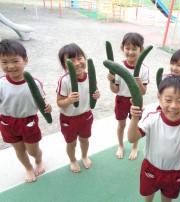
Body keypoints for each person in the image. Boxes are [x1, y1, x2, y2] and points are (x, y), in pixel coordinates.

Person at [128, 75, 180, 202]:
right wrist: (134, 117)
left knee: (167, 200)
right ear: (159, 98)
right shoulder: (152, 118)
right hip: (150, 169)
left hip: (174, 173)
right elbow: (132, 138)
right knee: (148, 197)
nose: (173, 106)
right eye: (168, 100)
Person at [0, 39, 52, 183]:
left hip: (28, 121)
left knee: (32, 150)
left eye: (15, 61)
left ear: (25, 60)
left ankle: (38, 159)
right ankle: (28, 168)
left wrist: (47, 106)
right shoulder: (1, 83)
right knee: (19, 150)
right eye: (4, 62)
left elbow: (42, 101)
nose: (10, 66)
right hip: (7, 121)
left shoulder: (34, 83)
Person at [56, 43, 100, 173]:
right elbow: (59, 102)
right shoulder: (64, 80)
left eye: (79, 58)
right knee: (71, 143)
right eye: (71, 61)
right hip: (68, 118)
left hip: (86, 115)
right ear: (65, 66)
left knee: (85, 139)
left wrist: (97, 94)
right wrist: (68, 100)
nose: (76, 63)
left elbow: (94, 92)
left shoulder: (91, 76)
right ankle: (73, 160)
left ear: (85, 59)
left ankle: (84, 156)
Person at [107, 32, 149, 160]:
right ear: (122, 48)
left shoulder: (144, 69)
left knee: (135, 125)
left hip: (136, 101)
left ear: (141, 50)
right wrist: (111, 80)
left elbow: (143, 92)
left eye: (134, 49)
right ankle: (120, 145)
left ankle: (135, 147)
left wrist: (139, 83)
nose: (130, 52)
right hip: (121, 100)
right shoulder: (118, 67)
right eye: (127, 48)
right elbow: (115, 90)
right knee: (121, 125)